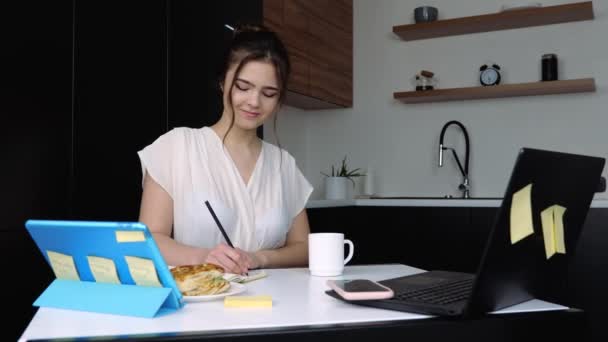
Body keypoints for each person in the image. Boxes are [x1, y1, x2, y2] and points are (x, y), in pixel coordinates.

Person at [137, 24, 313, 275]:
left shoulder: (283, 164)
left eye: (269, 93)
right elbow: (150, 238)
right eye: (243, 87)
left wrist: (259, 258)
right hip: (200, 303)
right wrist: (205, 256)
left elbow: (304, 248)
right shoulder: (176, 147)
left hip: (274, 307)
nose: (254, 102)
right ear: (222, 82)